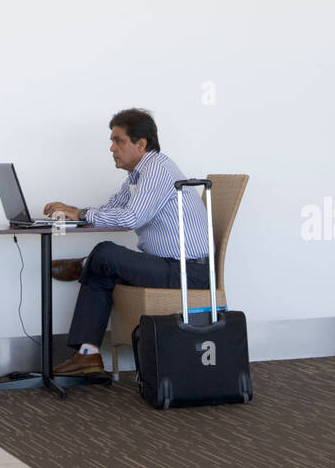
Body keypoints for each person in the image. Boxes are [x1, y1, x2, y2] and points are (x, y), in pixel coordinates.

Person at [43, 108, 210, 376]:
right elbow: (114, 210)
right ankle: (87, 354)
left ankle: (85, 264)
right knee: (103, 264)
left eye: (118, 140)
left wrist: (82, 214)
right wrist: (74, 212)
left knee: (104, 253)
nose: (111, 148)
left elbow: (131, 218)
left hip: (188, 271)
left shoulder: (158, 169)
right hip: (165, 265)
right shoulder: (136, 175)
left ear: (141, 144)